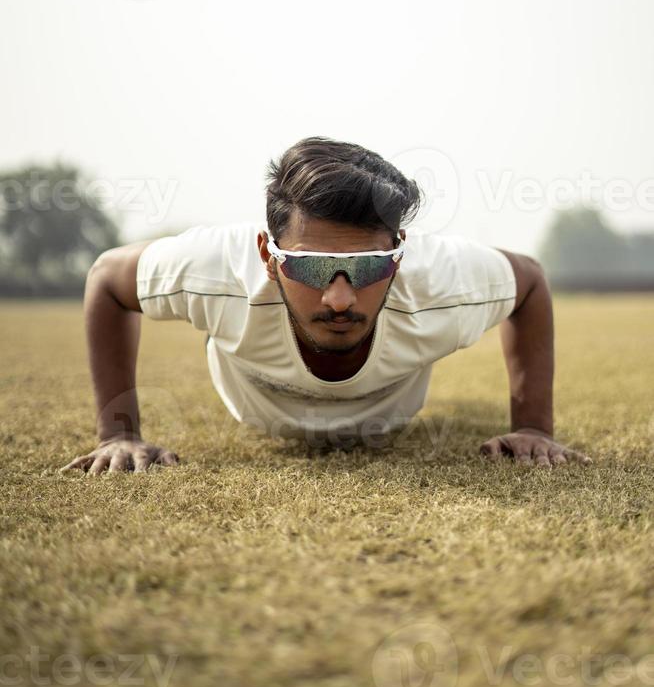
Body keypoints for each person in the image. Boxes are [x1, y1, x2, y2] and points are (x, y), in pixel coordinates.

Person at [62, 136, 590, 475]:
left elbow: (531, 282)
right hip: (250, 400)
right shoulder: (217, 271)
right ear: (269, 255)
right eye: (311, 267)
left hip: (390, 415)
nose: (340, 298)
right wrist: (120, 435)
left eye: (367, 268)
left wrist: (533, 427)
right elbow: (108, 278)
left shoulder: (442, 280)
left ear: (399, 256)